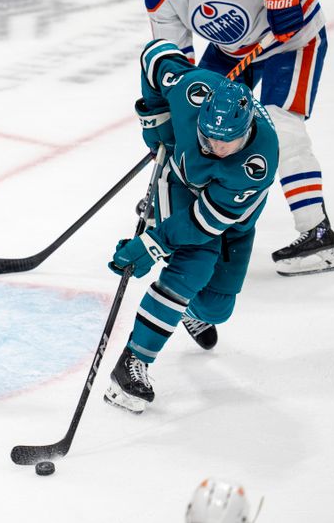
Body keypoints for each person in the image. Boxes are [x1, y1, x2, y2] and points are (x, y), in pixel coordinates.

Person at [103, 39, 278, 414]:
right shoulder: (193, 89)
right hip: (180, 182)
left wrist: (152, 242)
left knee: (216, 309)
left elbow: (204, 223)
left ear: (245, 134)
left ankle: (178, 306)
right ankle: (132, 365)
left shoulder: (257, 164)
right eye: (207, 136)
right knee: (194, 263)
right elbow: (155, 55)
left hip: (228, 215)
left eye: (224, 143)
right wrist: (156, 122)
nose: (213, 146)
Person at [143, 0, 334, 277]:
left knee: (281, 126)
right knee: (197, 119)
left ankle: (317, 232)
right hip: (230, 51)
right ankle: (175, 204)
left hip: (293, 39)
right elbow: (176, 68)